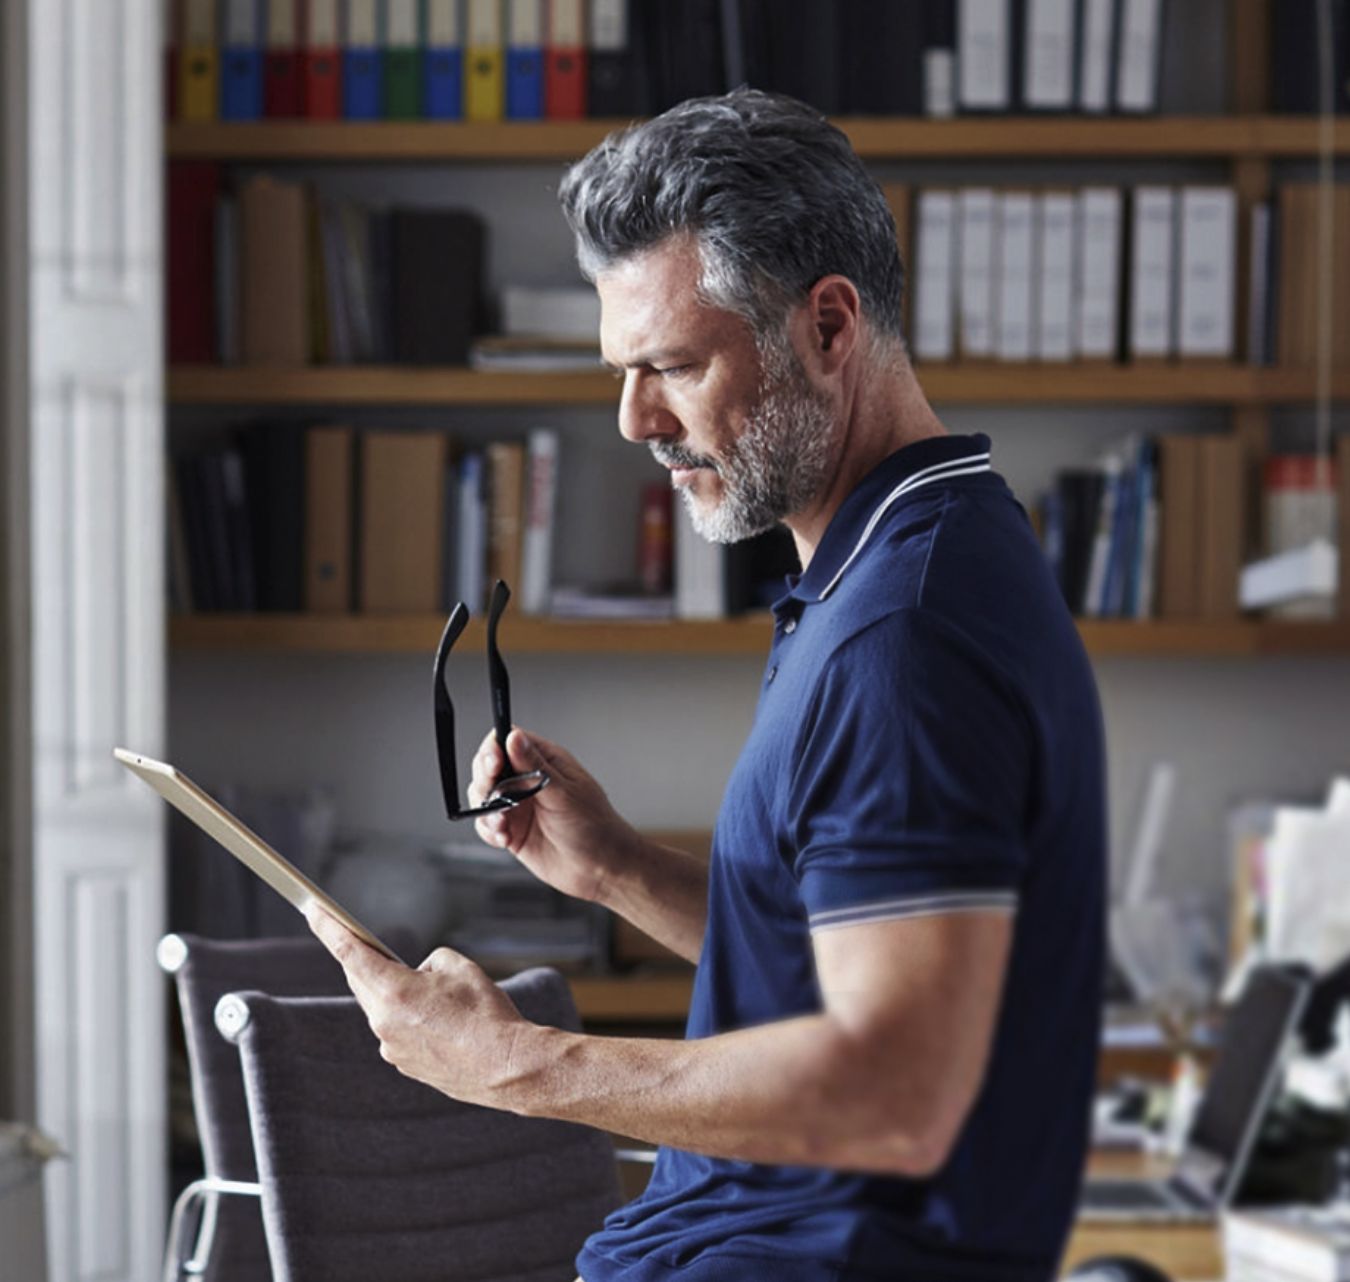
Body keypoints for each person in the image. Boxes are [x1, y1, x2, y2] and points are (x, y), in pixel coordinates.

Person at [309, 88, 1107, 1282]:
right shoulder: (895, 561)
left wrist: (516, 1065)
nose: (634, 419)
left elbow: (894, 1095)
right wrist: (616, 869)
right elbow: (829, 964)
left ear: (828, 327)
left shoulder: (905, 636)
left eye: (672, 365)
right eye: (622, 370)